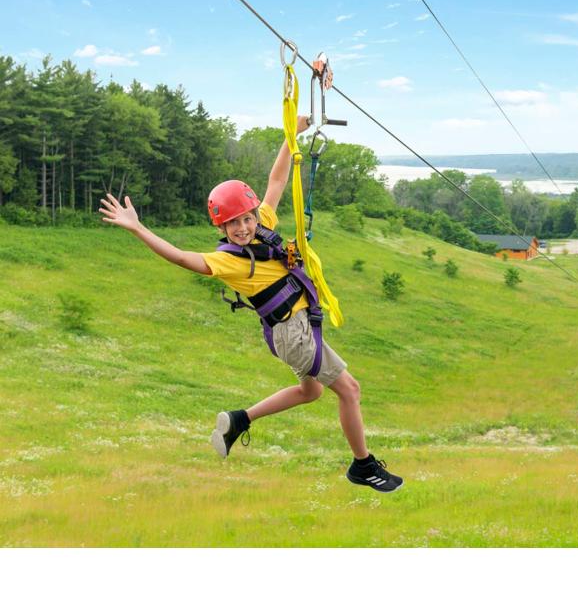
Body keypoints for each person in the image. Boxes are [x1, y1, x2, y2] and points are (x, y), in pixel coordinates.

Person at [98, 115, 402, 493]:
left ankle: (240, 419)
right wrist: (138, 228)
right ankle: (362, 464)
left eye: (246, 218)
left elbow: (276, 182)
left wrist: (292, 135)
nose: (242, 227)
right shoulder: (229, 261)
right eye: (232, 224)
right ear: (221, 229)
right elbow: (179, 257)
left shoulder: (263, 225)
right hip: (293, 335)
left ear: (255, 214)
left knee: (312, 392)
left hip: (291, 330)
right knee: (350, 390)